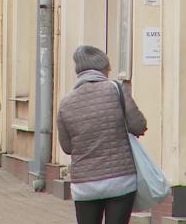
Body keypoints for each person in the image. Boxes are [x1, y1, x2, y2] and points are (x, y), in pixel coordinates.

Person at [57, 45, 147, 224]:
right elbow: (139, 126)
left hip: (85, 184)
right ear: (103, 68)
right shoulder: (116, 89)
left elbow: (67, 148)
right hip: (120, 181)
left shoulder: (66, 103)